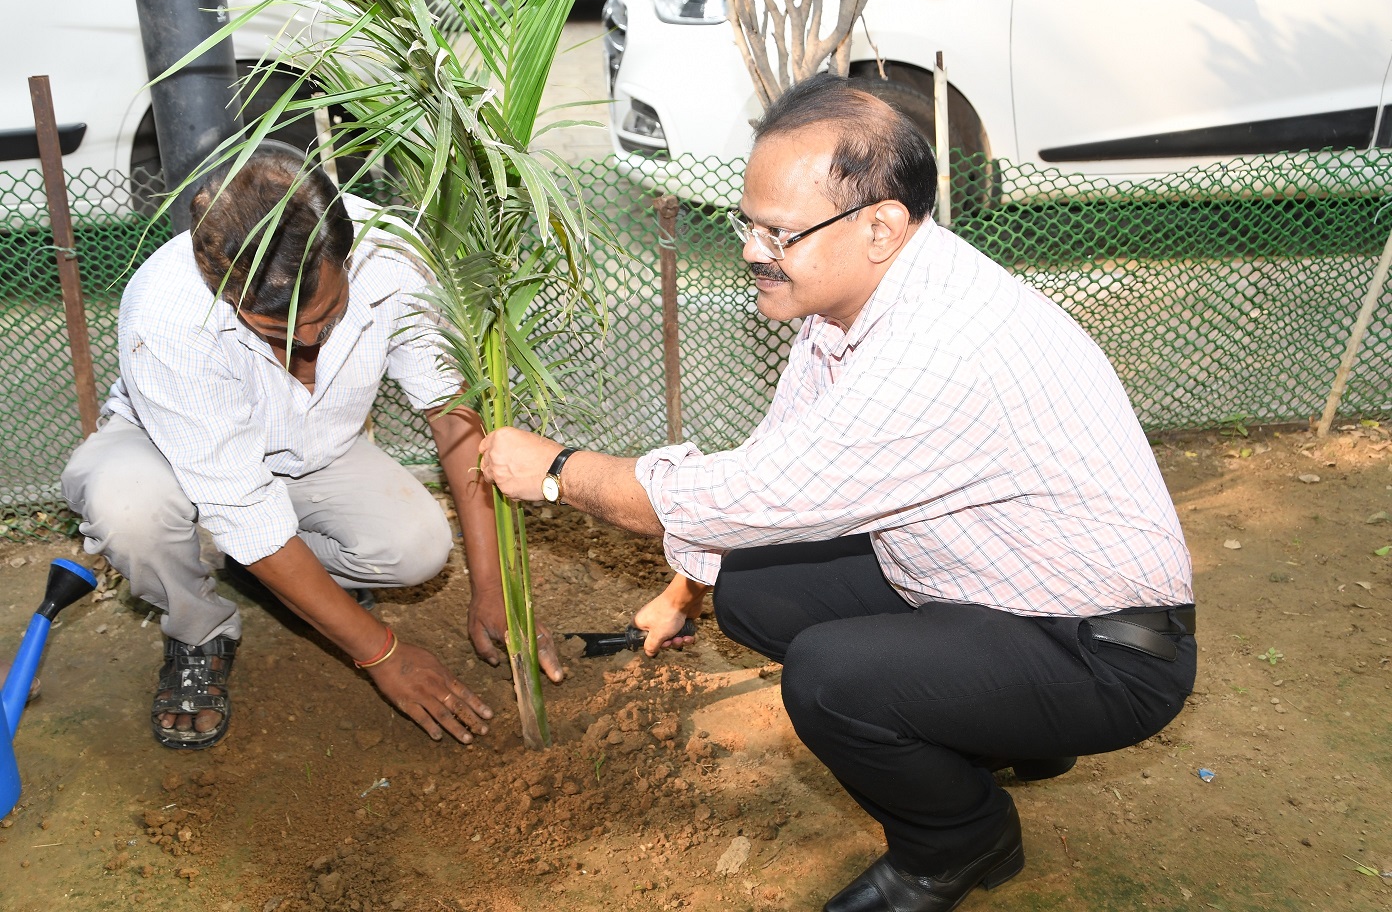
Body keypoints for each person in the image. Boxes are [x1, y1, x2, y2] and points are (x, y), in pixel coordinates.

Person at [479, 74, 1195, 912]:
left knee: (830, 679)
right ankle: (1005, 732)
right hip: (1001, 584)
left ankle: (957, 844)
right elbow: (777, 463)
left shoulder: (936, 353)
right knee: (751, 589)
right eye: (747, 224)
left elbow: (752, 492)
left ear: (880, 226)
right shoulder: (856, 299)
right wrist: (682, 593)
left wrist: (559, 471)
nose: (752, 251)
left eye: (778, 233)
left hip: (1101, 651)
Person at [61, 143, 563, 752]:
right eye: (275, 328)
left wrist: (493, 585)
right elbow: (243, 508)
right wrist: (384, 654)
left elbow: (452, 414)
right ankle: (199, 630)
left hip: (313, 447)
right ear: (222, 288)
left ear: (346, 257)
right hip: (162, 448)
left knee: (415, 549)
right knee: (132, 512)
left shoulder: (394, 257)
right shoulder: (166, 315)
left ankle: (264, 570)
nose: (305, 342)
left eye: (326, 316)